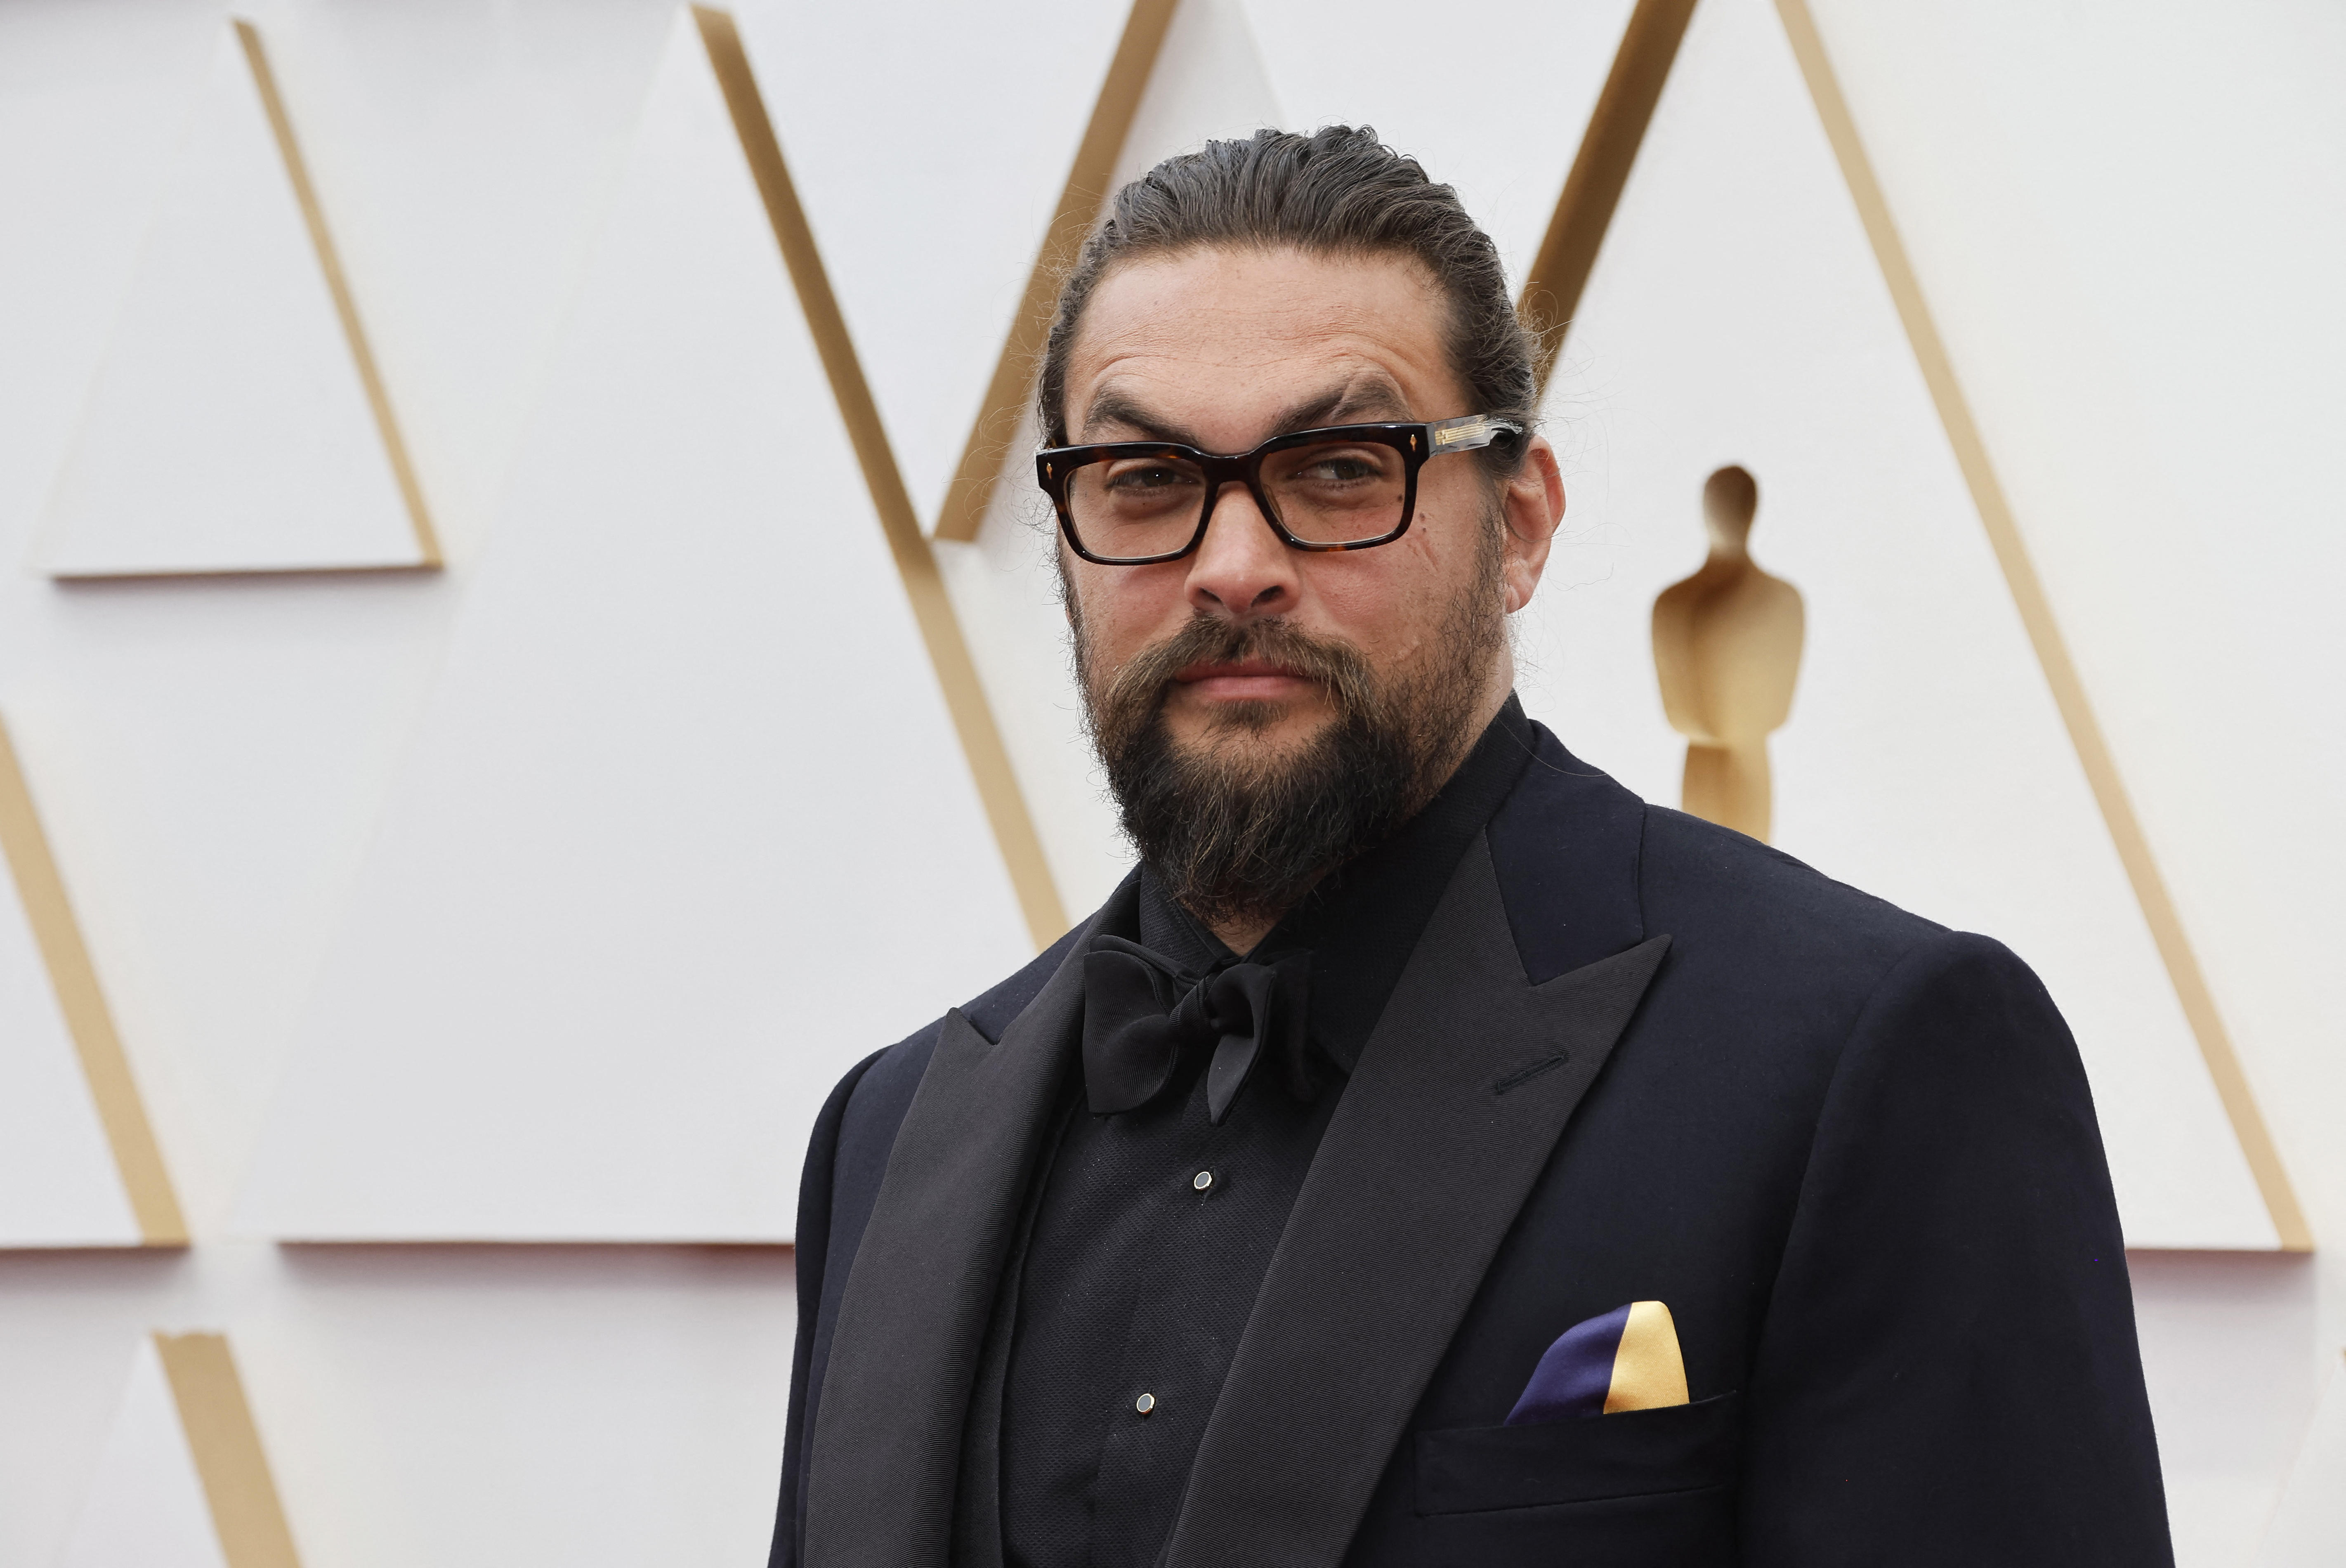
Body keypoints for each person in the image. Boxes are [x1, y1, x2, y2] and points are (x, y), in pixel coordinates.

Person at [767, 126, 2170, 1568]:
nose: (1232, 566)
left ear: (1521, 525)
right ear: (1066, 534)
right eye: (1144, 478)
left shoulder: (1868, 1057)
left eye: (1338, 469)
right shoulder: (886, 1134)